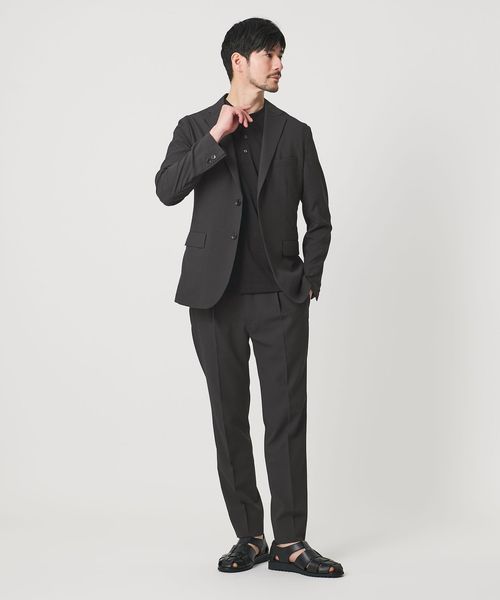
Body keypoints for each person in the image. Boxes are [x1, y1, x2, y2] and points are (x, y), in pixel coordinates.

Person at [154, 17, 344, 578]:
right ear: (239, 61)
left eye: (282, 54)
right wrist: (215, 135)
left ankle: (290, 543)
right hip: (213, 300)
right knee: (228, 418)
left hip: (280, 298)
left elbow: (319, 217)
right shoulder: (195, 127)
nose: (280, 64)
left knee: (286, 419)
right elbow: (167, 189)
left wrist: (308, 278)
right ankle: (249, 536)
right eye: (270, 54)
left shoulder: (295, 133)